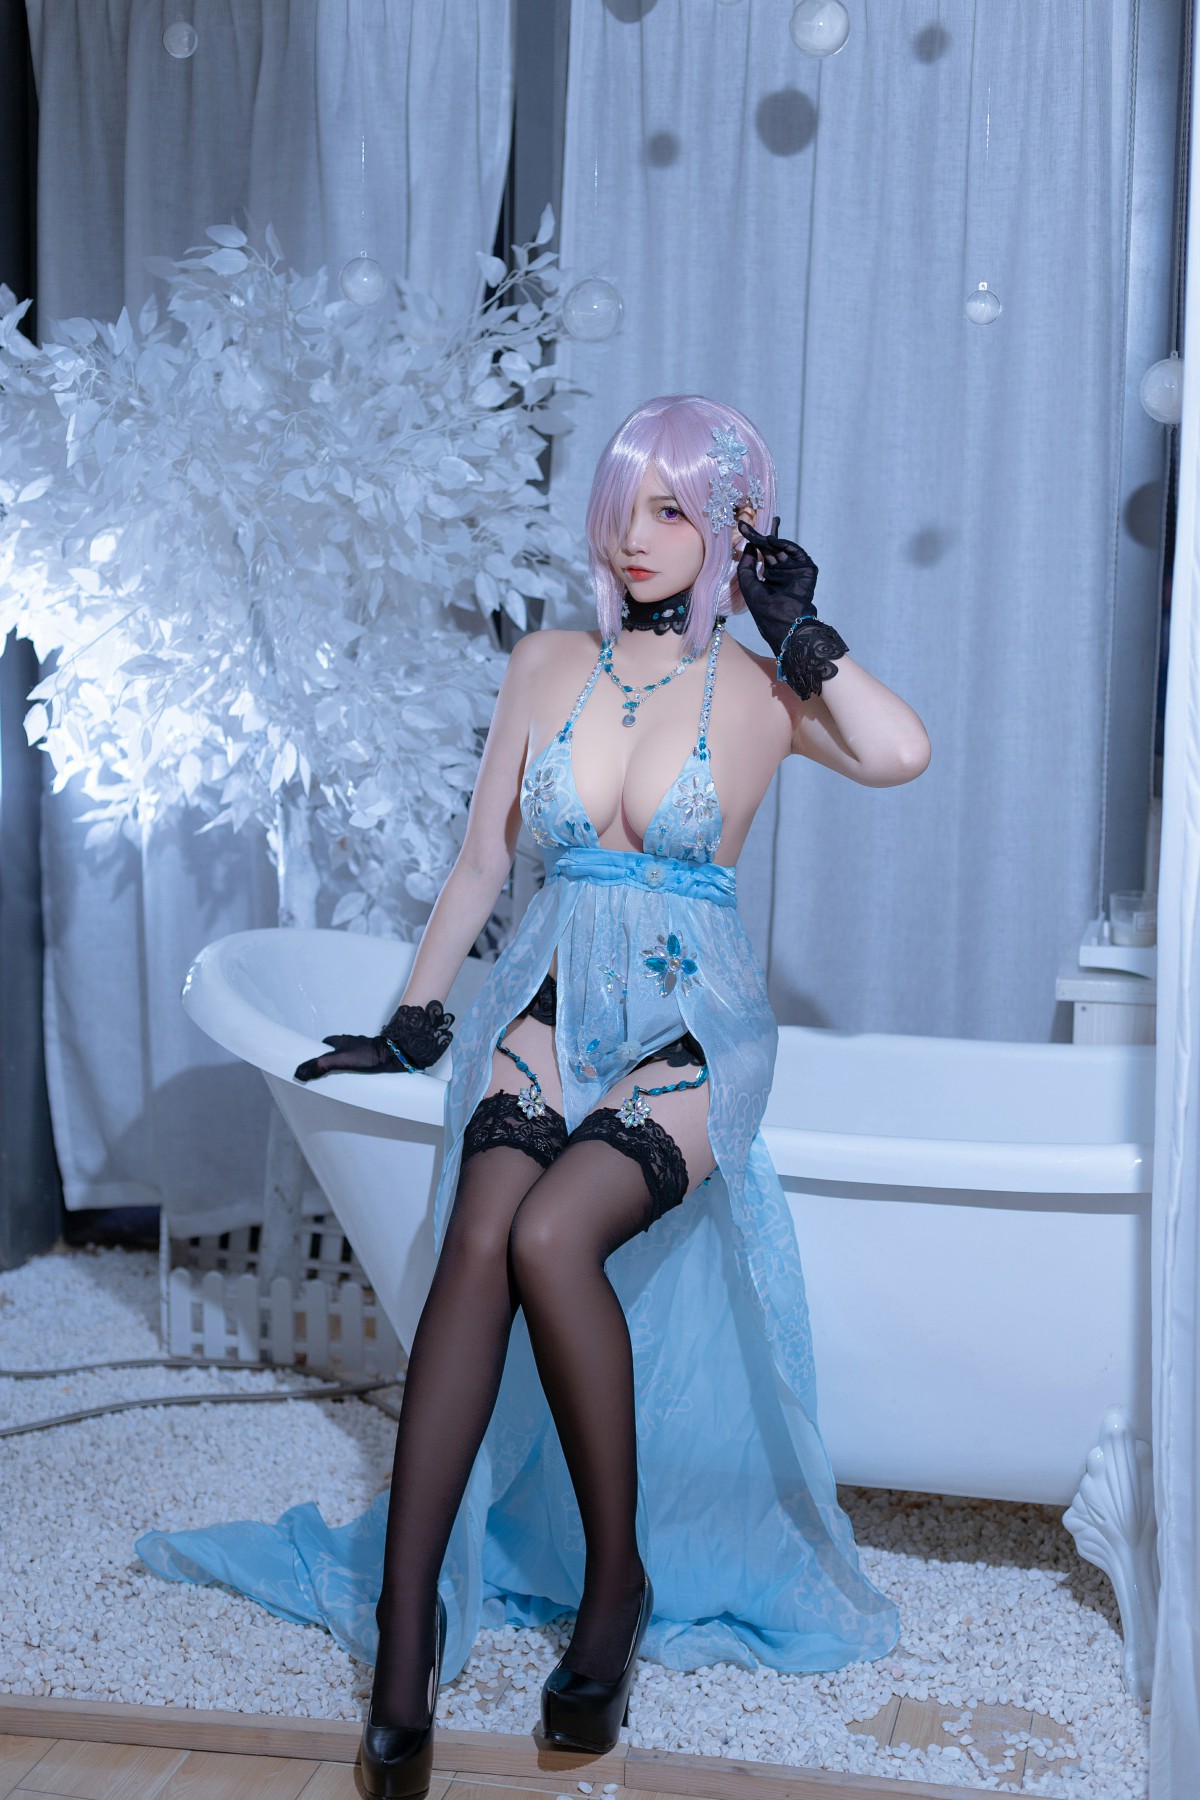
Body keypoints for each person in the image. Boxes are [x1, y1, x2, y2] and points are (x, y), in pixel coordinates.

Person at [293, 394, 931, 1799]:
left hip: (691, 1028)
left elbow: (900, 753)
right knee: (479, 1235)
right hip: (545, 1001)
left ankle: (613, 1589)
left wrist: (800, 628)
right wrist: (413, 1022)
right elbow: (482, 865)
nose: (636, 535)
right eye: (625, 502)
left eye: (674, 510)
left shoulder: (766, 691)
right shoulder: (548, 663)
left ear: (734, 528)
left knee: (548, 1235)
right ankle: (405, 1632)